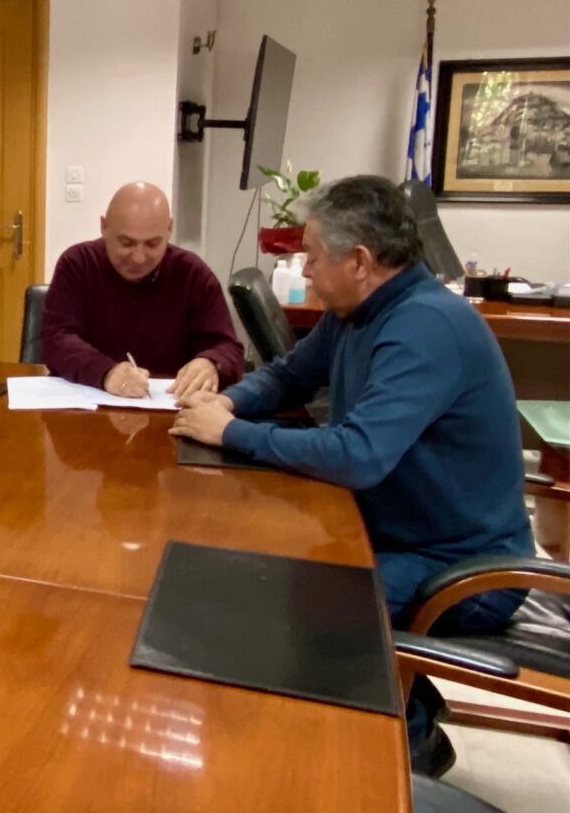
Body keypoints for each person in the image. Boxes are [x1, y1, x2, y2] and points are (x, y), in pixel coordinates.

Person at [169, 175, 534, 776]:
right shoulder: (359, 312)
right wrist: (230, 402)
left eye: (313, 257)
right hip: (401, 532)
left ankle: (401, 753)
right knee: (262, 569)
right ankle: (408, 698)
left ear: (360, 262)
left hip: (463, 565)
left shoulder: (426, 328)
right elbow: (289, 375)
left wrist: (230, 433)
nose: (306, 271)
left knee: (306, 614)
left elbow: (359, 454)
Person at [41, 182, 243, 399]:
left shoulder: (192, 274)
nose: (139, 258)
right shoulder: (78, 264)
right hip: (85, 406)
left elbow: (228, 348)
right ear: (104, 227)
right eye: (126, 243)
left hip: (168, 408)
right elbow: (57, 340)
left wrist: (211, 363)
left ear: (169, 230)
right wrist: (106, 372)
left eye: (152, 244)